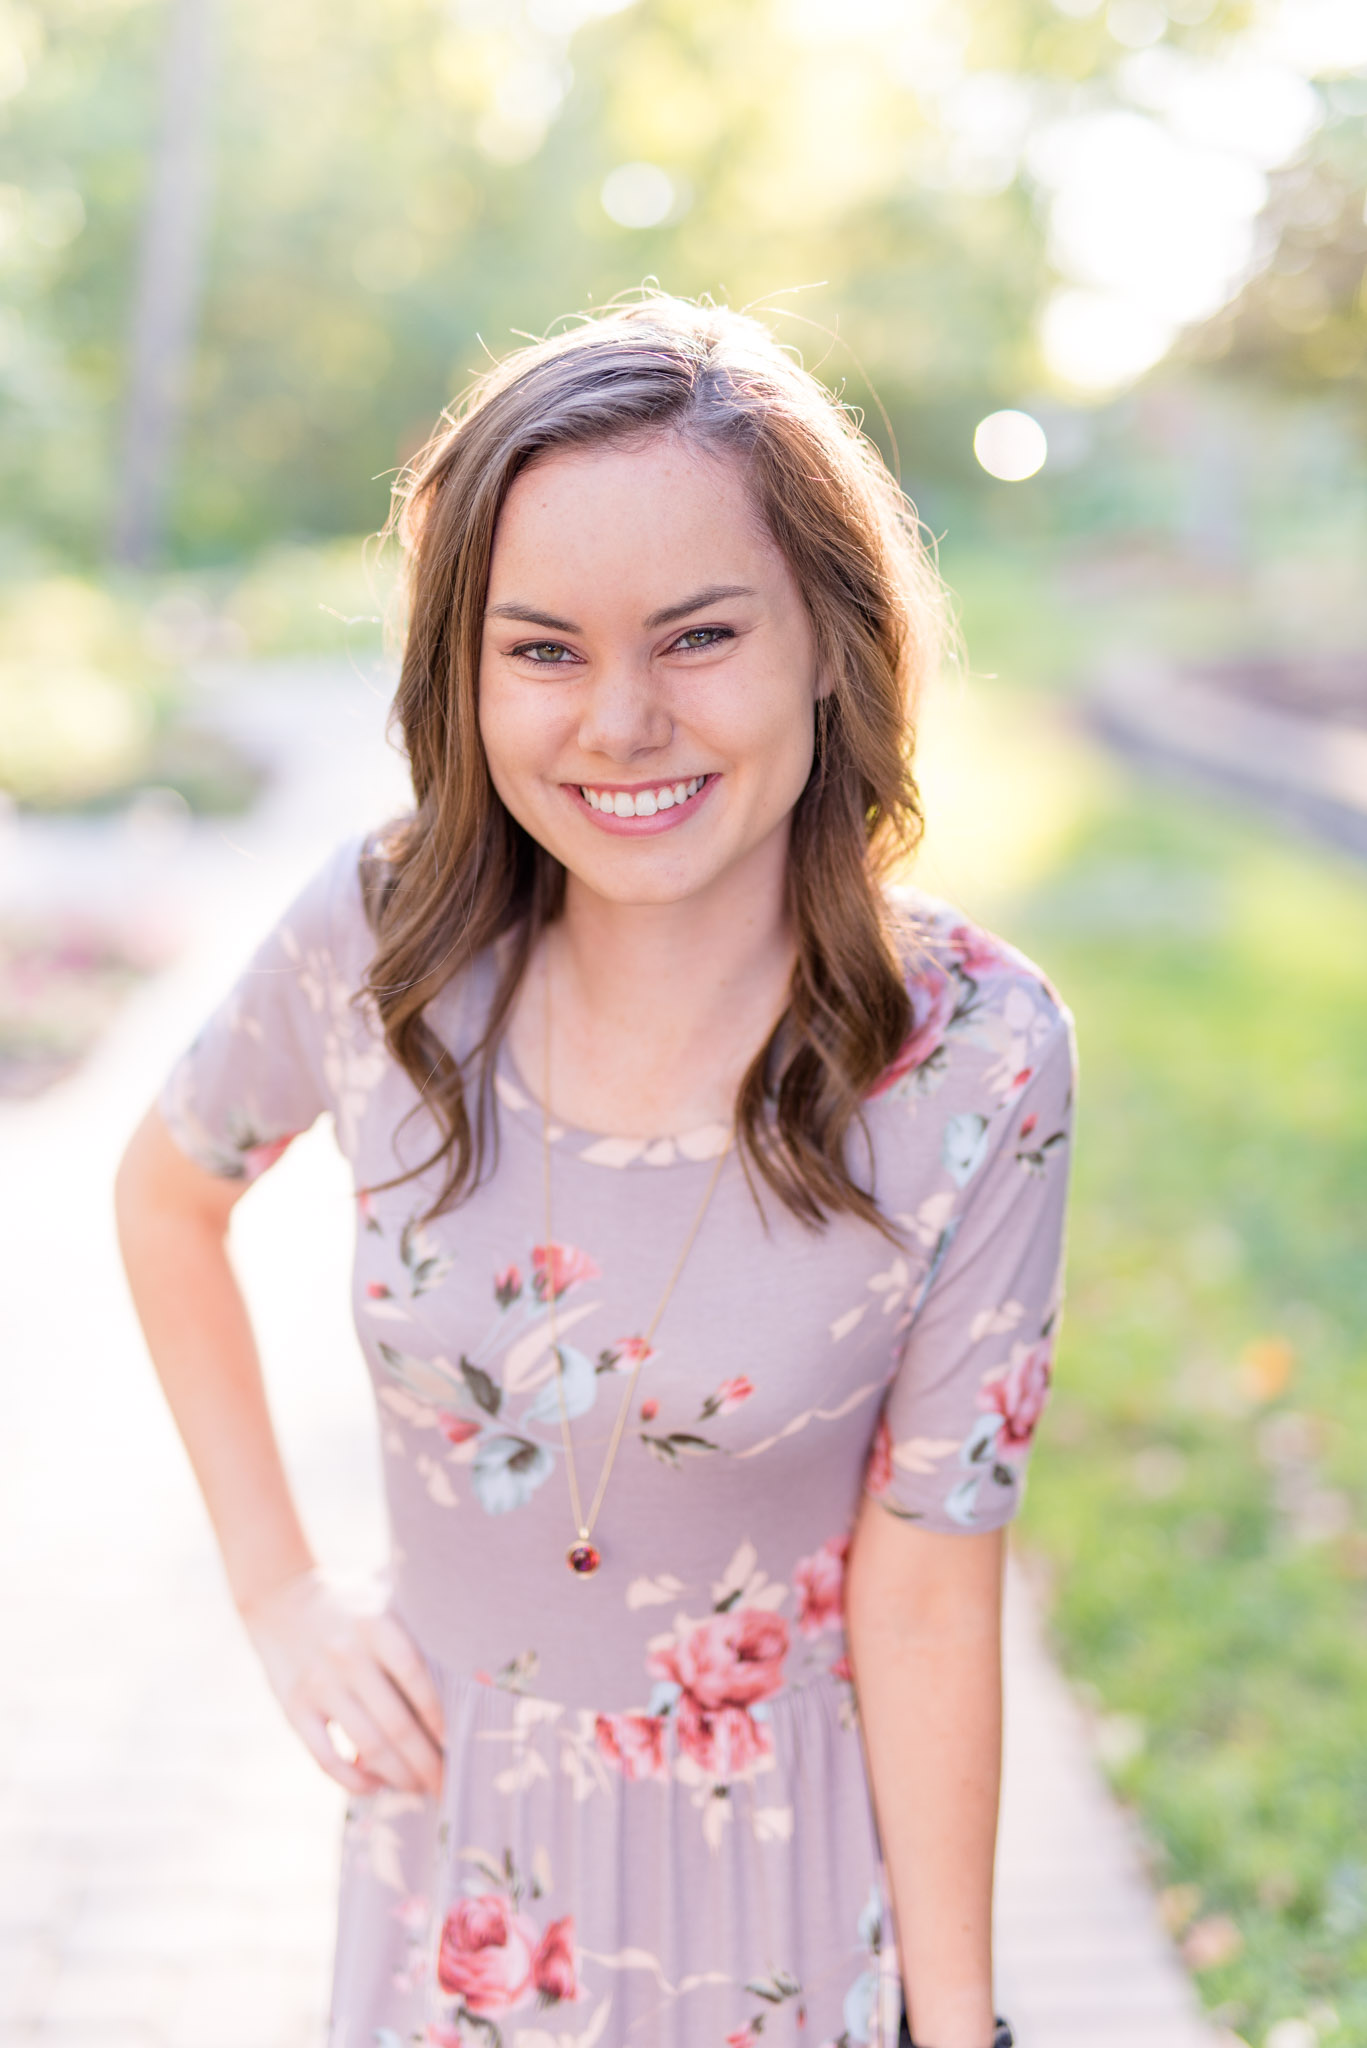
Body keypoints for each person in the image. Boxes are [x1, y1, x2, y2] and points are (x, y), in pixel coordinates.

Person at [115, 297, 1074, 2048]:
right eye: (542, 649)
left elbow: (934, 1592)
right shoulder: (381, 940)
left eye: (698, 636)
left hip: (796, 1889)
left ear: (830, 647)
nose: (621, 721)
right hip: (451, 1876)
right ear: (463, 677)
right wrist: (281, 1596)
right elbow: (168, 1195)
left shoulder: (980, 1054)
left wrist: (961, 2026)